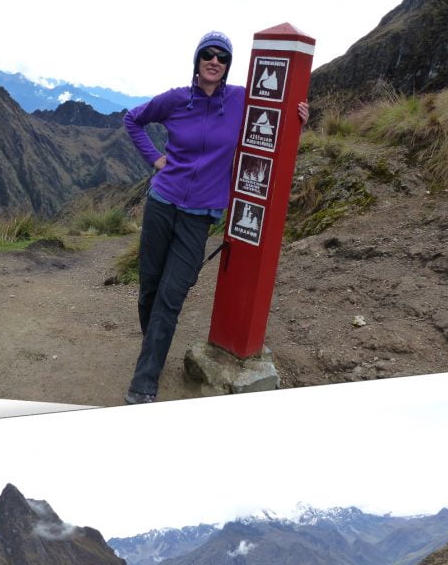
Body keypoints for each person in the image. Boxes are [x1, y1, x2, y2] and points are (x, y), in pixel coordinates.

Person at [122, 30, 309, 404]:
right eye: (207, 54)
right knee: (149, 288)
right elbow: (132, 120)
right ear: (197, 61)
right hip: (162, 203)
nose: (214, 61)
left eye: (222, 57)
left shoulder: (240, 100)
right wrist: (156, 160)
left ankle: (144, 382)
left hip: (199, 215)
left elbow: (273, 117)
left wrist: (299, 118)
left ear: (228, 65)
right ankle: (153, 347)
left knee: (171, 296)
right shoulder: (176, 100)